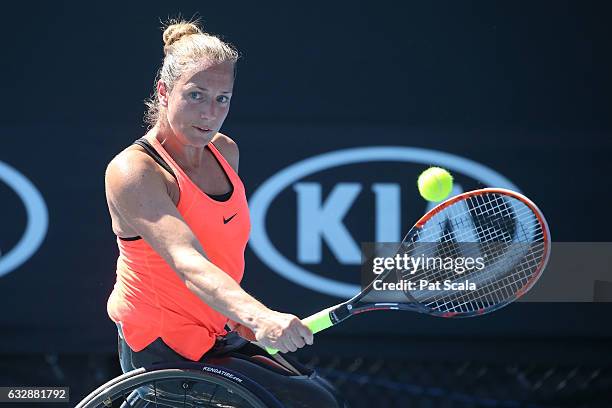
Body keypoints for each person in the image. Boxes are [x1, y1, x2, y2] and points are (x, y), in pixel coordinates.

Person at [104, 19, 346, 407]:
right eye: (196, 95)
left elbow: (222, 255)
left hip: (217, 333)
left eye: (223, 98)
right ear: (165, 92)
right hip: (164, 347)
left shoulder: (226, 153)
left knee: (322, 397)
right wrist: (258, 316)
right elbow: (188, 263)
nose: (209, 113)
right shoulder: (134, 171)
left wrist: (240, 320)